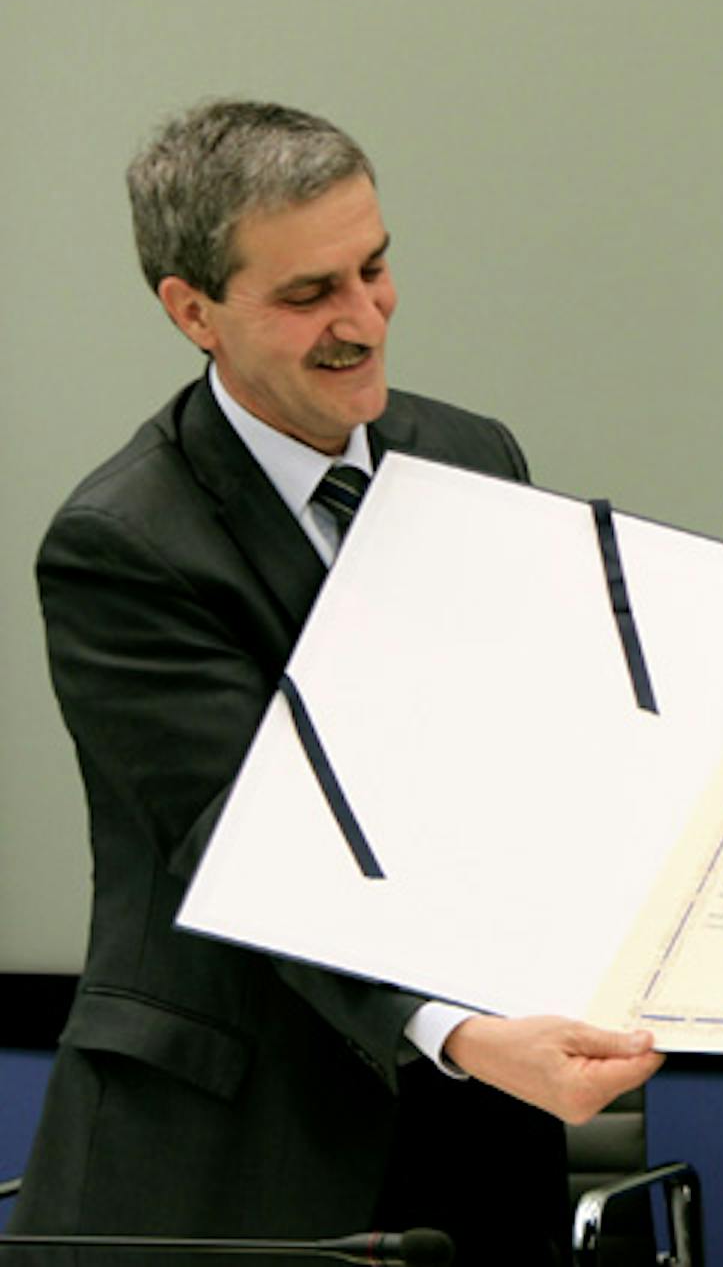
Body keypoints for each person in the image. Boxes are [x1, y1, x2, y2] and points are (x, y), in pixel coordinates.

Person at [7, 101, 663, 1257]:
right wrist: (459, 1031)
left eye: (375, 267)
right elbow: (251, 843)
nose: (363, 319)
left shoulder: (472, 455)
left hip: (476, 1132)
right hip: (245, 1149)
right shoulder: (124, 543)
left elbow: (566, 718)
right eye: (309, 294)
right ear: (191, 310)